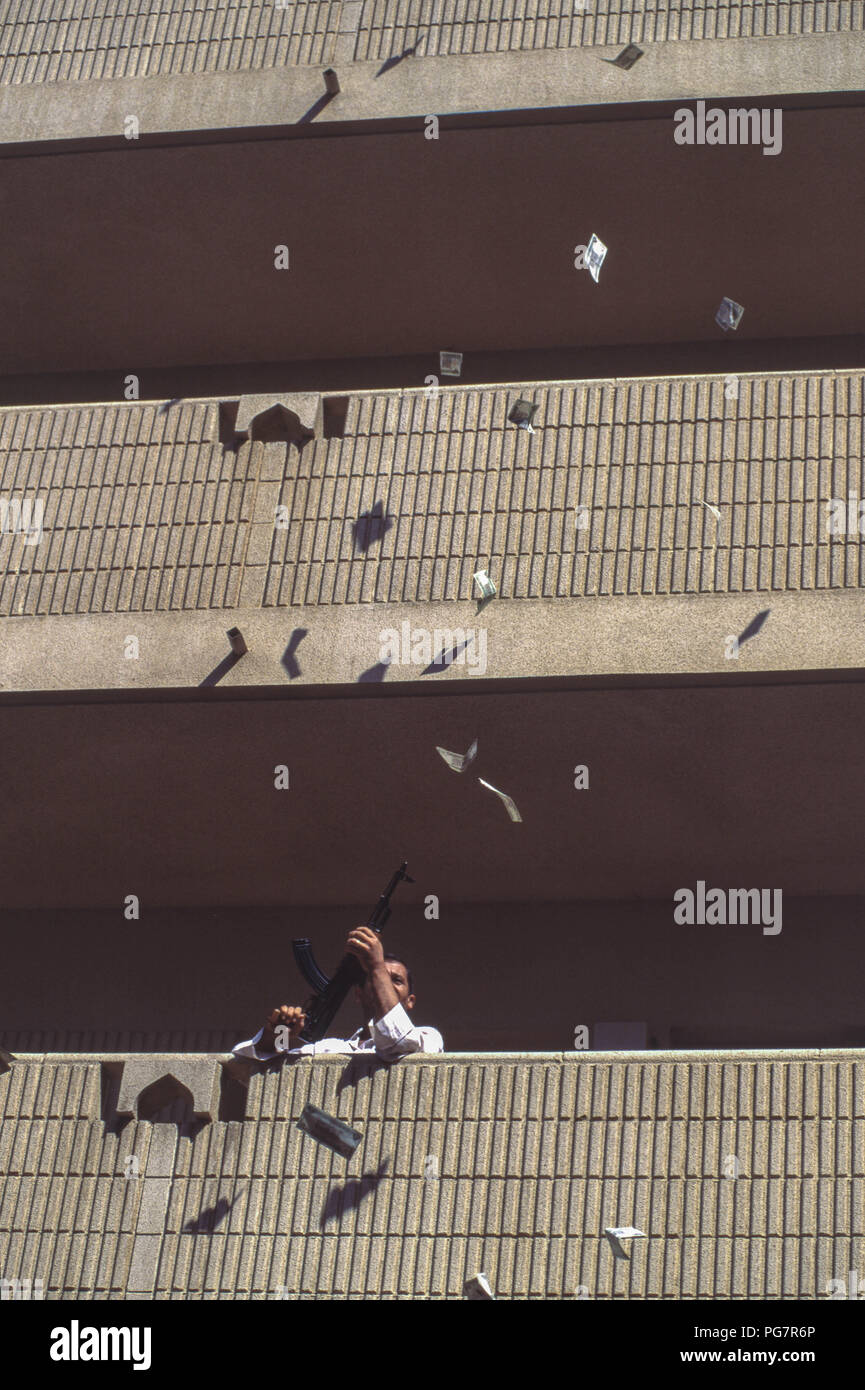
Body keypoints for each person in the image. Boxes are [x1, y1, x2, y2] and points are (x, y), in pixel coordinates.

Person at [232, 924, 443, 1061]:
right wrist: (276, 1037)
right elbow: (251, 1063)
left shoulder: (428, 1038)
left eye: (395, 980)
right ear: (358, 994)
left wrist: (376, 967)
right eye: (376, 979)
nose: (384, 984)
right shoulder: (328, 1048)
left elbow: (397, 1045)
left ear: (410, 1001)